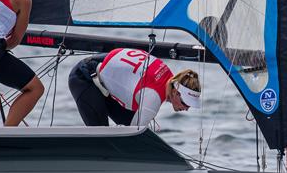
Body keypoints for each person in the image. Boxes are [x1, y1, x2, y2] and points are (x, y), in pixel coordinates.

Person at [68, 48, 201, 127]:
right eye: (185, 103)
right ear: (176, 92)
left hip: (101, 70)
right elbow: (132, 137)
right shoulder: (153, 98)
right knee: (101, 138)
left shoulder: (168, 74)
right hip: (84, 77)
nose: (187, 108)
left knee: (128, 121)